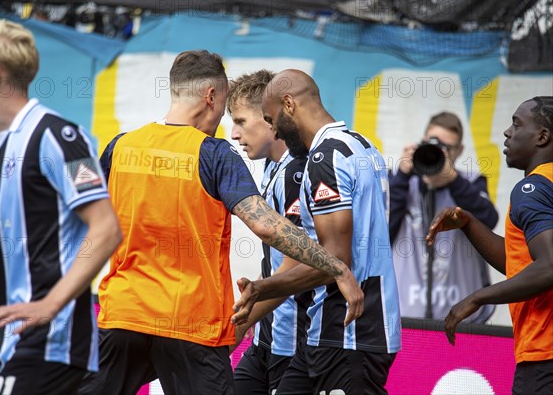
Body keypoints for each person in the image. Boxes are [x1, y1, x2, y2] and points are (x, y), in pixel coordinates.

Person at [78, 52, 363, 395]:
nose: (228, 126)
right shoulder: (214, 154)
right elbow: (266, 225)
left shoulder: (119, 147)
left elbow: (78, 205)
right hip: (189, 325)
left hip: (124, 314)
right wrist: (335, 266)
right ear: (211, 96)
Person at [0, 17, 122, 394]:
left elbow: (107, 228)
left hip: (51, 346)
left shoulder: (60, 137)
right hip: (5, 348)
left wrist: (51, 304)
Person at [234, 69, 401, 394]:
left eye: (272, 118)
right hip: (338, 331)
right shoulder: (361, 144)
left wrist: (260, 290)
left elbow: (334, 260)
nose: (275, 129)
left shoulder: (324, 159)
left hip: (348, 331)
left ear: (289, 104)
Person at [427, 96, 553, 395]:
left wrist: (477, 298)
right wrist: (469, 224)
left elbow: (548, 266)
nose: (507, 133)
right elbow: (522, 263)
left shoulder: (532, 189)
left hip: (544, 355)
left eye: (516, 124)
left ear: (542, 136)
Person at [228, 69, 310, 395]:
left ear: (268, 117)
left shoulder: (297, 172)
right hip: (266, 338)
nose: (234, 134)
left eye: (241, 122)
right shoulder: (271, 167)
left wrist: (242, 319)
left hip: (291, 343)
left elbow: (302, 261)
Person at [389, 112, 498, 321]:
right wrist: (402, 175)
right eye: (432, 144)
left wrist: (453, 180)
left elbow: (489, 220)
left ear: (459, 151)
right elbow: (382, 229)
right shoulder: (401, 182)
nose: (438, 152)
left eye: (446, 148)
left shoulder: (471, 181)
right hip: (405, 316)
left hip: (463, 317)